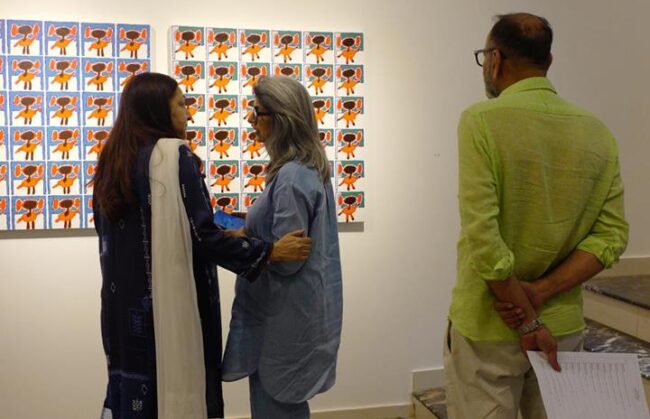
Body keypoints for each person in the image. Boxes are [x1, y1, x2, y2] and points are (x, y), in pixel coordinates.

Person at [92, 72, 312, 419]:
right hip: (173, 304)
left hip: (123, 309)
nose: (189, 113)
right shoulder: (174, 157)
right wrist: (269, 252)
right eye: (181, 104)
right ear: (158, 110)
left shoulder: (112, 162)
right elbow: (201, 236)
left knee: (135, 395)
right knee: (180, 387)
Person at [444, 13, 628, 419]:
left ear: (495, 60)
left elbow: (484, 237)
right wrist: (542, 292)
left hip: (489, 323)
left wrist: (527, 320)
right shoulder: (597, 132)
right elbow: (612, 236)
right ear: (549, 61)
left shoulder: (480, 120)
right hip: (562, 327)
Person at [221, 76, 343, 419]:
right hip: (296, 315)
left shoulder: (291, 176)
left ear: (281, 118)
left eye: (257, 112)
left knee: (276, 407)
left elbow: (289, 257)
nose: (250, 120)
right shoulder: (308, 169)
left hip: (282, 321)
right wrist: (250, 228)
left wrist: (252, 243)